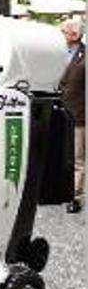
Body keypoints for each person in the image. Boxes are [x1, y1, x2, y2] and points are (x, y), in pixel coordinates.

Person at [59, 18, 85, 213]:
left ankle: (74, 197)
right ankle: (57, 190)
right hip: (57, 113)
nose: (60, 34)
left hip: (78, 114)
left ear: (74, 35)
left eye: (63, 31)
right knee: (60, 154)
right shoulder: (57, 53)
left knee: (77, 158)